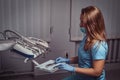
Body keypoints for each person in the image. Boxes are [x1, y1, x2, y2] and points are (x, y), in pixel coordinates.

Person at [55, 6, 108, 80]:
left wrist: (73, 69)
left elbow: (97, 72)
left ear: (92, 24)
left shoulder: (99, 46)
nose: (80, 25)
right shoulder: (87, 38)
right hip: (81, 76)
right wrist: (68, 60)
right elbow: (84, 58)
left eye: (82, 22)